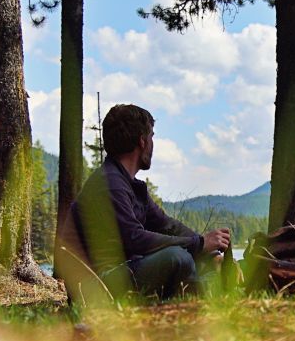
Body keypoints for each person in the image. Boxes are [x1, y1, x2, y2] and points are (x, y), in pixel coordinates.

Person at [61, 104, 231, 300]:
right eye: (151, 136)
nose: (152, 143)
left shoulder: (129, 185)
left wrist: (206, 248)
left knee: (192, 257)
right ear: (142, 141)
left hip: (119, 276)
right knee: (177, 257)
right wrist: (198, 244)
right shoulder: (109, 183)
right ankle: (202, 301)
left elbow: (167, 225)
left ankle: (209, 293)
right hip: (94, 287)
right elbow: (135, 238)